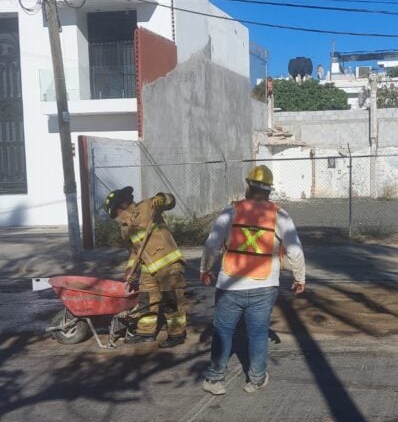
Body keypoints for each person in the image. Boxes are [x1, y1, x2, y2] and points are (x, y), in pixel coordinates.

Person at [199, 166, 306, 395]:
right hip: (264, 285)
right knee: (258, 333)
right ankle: (256, 379)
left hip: (230, 284)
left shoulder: (230, 212)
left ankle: (215, 379)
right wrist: (299, 278)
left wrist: (206, 269)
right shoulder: (280, 215)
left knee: (223, 331)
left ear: (248, 186)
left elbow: (212, 245)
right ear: (269, 190)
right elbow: (295, 251)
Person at [104, 186, 187, 348]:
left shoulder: (147, 206)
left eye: (116, 214)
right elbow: (135, 251)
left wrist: (162, 198)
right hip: (148, 268)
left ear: (122, 206)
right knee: (146, 300)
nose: (117, 218)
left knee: (171, 300)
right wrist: (130, 268)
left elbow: (170, 200)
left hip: (168, 265)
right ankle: (145, 332)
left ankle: (177, 333)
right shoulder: (125, 228)